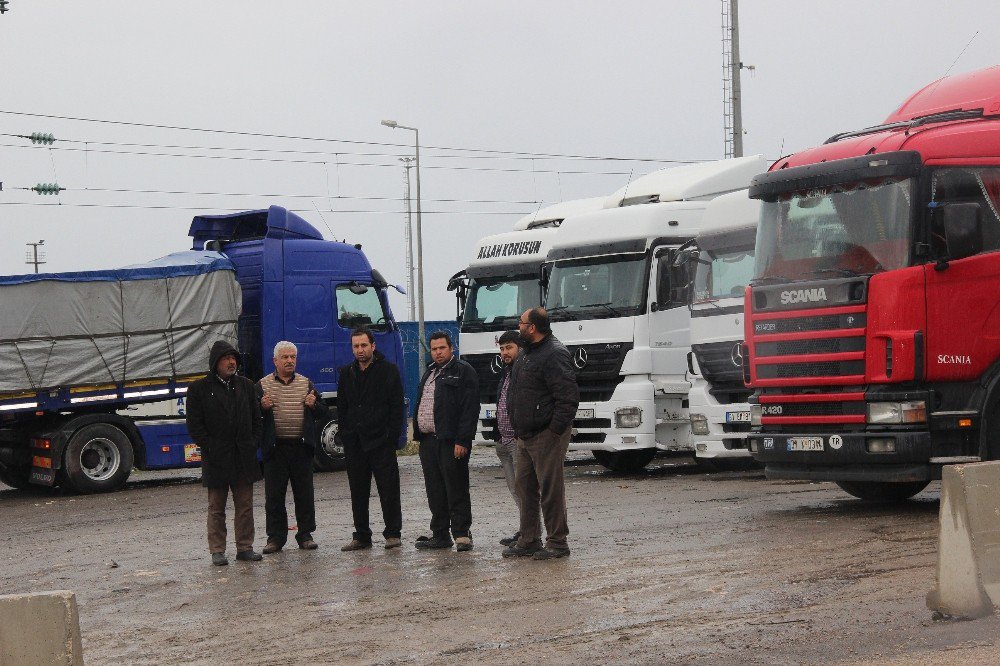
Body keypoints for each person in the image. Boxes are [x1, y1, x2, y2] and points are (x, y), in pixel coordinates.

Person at [503, 308, 579, 560]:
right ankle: (529, 539)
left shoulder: (554, 353)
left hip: (547, 434)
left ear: (532, 327)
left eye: (521, 323)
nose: (519, 326)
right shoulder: (526, 354)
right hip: (524, 435)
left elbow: (567, 398)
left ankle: (557, 542)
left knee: (550, 488)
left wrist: (554, 430)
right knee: (525, 487)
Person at [185, 340, 263, 566]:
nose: (231, 363)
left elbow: (257, 420)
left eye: (234, 359)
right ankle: (217, 550)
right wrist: (211, 446)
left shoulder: (247, 385)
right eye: (226, 358)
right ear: (215, 362)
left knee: (245, 506)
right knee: (216, 508)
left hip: (243, 457)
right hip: (217, 458)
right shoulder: (199, 389)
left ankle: (245, 548)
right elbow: (195, 426)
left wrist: (252, 443)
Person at [336, 328, 405, 551]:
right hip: (355, 443)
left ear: (373, 346)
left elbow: (397, 407)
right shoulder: (347, 373)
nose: (360, 350)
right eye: (356, 346)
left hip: (381, 442)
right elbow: (342, 407)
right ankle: (362, 536)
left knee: (389, 490)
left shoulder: (388, 371)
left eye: (364, 345)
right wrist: (347, 435)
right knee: (358, 491)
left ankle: (392, 534)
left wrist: (390, 438)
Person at [257, 341, 329, 554]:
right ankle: (275, 538)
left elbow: (323, 412)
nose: (290, 361)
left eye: (293, 357)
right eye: (285, 357)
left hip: (301, 449)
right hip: (275, 449)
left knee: (304, 494)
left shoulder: (307, 384)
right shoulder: (262, 385)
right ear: (275, 361)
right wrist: (261, 407)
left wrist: (313, 405)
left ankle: (305, 535)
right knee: (274, 496)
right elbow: (252, 415)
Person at [412, 330, 479, 551]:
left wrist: (463, 440)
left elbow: (470, 409)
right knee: (435, 490)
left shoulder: (463, 371)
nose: (438, 352)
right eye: (434, 349)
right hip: (429, 441)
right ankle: (440, 535)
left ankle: (462, 534)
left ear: (451, 348)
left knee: (456, 487)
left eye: (442, 348)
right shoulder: (429, 373)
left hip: (452, 442)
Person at [493, 330, 522, 546]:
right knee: (514, 489)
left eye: (509, 347)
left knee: (525, 490)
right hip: (504, 441)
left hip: (520, 441)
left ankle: (531, 534)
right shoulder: (506, 372)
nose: (505, 352)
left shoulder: (525, 370)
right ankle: (525, 530)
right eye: (502, 349)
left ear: (520, 347)